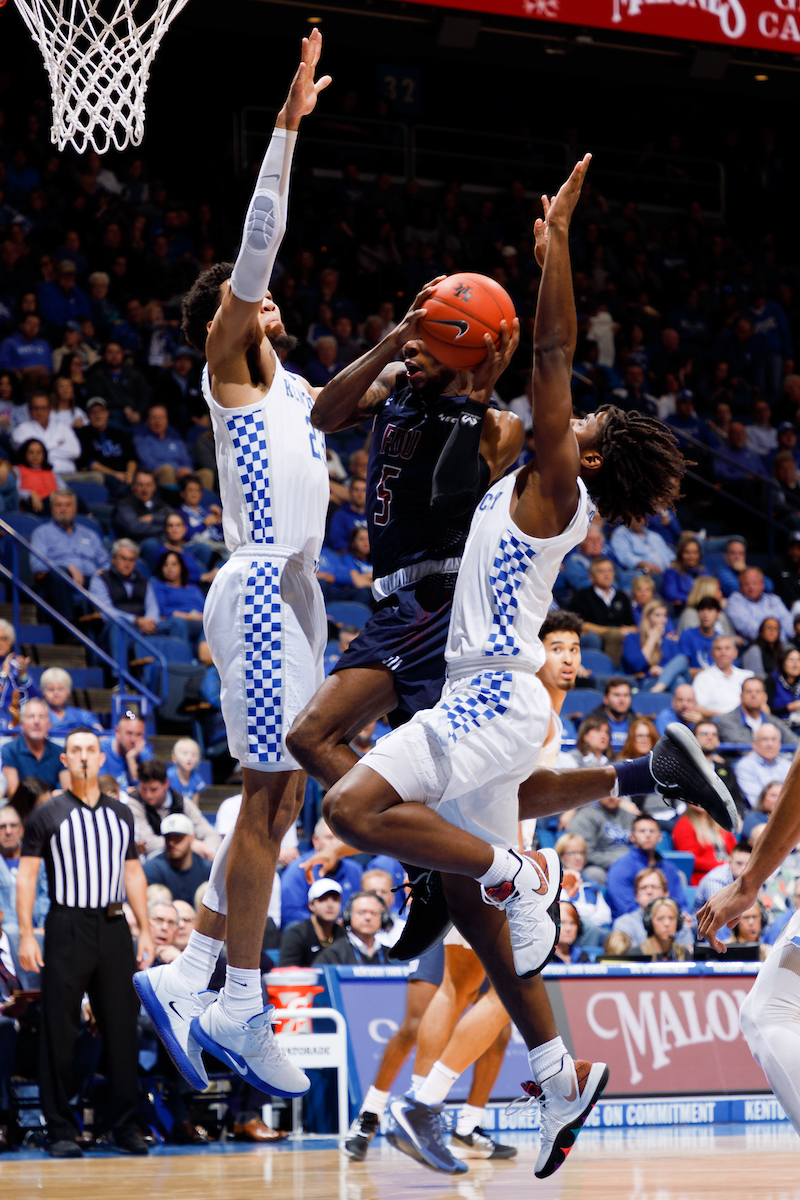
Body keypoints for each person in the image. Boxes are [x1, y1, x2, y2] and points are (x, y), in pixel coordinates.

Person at [316, 159, 692, 1179]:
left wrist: (555, 246)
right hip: (492, 698)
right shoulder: (524, 485)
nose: (569, 416)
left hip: (489, 695)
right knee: (485, 924)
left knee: (348, 810)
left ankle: (524, 865)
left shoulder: (553, 485)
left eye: (581, 422)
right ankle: (560, 1072)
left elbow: (556, 346)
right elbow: (494, 386)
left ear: (593, 455)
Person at [132, 34, 333, 1102]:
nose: (272, 299)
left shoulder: (294, 398)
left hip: (296, 595)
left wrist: (399, 342)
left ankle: (200, 970)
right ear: (236, 312)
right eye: (256, 298)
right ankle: (237, 999)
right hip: (257, 587)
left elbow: (340, 395)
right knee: (265, 799)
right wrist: (286, 126)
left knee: (281, 803)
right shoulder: (233, 375)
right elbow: (257, 243)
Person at [16, 728, 153, 1157]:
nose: (82, 757)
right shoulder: (46, 813)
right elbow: (27, 875)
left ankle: (124, 1126)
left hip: (114, 927)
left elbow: (132, 872)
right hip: (66, 926)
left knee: (122, 1030)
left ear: (100, 758)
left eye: (89, 750)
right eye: (74, 750)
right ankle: (59, 1128)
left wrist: (145, 927)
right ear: (64, 760)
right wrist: (25, 932)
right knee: (59, 1028)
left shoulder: (121, 813)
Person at [29, 488, 110, 624]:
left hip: (90, 579)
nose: (63, 509)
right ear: (51, 508)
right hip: (60, 581)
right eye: (58, 505)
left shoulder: (89, 534)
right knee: (59, 575)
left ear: (75, 508)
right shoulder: (42, 533)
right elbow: (36, 565)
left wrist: (102, 572)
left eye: (67, 505)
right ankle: (69, 625)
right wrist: (66, 568)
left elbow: (106, 561)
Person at [127, 758, 221, 859]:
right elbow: (149, 843)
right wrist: (188, 844)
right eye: (143, 789)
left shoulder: (180, 801)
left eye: (154, 789)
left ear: (166, 783)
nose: (148, 795)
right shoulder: (133, 803)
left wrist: (210, 851)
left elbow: (210, 833)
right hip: (151, 860)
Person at [279, 818, 363, 926]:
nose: (335, 844)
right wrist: (329, 924)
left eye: (339, 838)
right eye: (329, 838)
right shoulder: (299, 868)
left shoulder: (355, 869)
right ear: (315, 841)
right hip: (310, 933)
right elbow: (290, 913)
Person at [605, 813, 687, 921]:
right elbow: (627, 909)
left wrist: (684, 917)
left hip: (670, 923)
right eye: (642, 831)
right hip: (633, 926)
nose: (647, 835)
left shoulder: (669, 868)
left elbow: (680, 903)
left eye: (652, 831)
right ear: (632, 837)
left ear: (660, 837)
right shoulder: (620, 868)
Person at [570, 557, 637, 666]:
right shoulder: (582, 596)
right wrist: (611, 631)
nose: (607, 574)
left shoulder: (622, 596)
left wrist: (628, 630)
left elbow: (633, 625)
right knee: (613, 634)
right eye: (601, 571)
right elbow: (580, 624)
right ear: (591, 577)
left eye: (610, 570)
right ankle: (612, 670)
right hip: (594, 634)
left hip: (620, 634)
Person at [612, 868, 693, 950]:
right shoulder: (624, 924)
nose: (649, 892)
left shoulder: (678, 923)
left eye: (655, 887)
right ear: (636, 896)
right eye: (643, 888)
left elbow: (687, 957)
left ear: (666, 893)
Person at [621, 599, 688, 693]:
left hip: (670, 683)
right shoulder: (632, 638)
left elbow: (680, 666)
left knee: (681, 660)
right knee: (678, 682)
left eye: (665, 615)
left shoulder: (670, 643)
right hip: (646, 683)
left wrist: (663, 671)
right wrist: (652, 639)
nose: (662, 620)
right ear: (647, 618)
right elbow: (636, 665)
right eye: (657, 615)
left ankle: (658, 689)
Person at [143, 814, 213, 904]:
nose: (172, 842)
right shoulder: (152, 868)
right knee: (158, 894)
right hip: (166, 916)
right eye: (168, 837)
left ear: (192, 838)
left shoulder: (207, 868)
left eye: (178, 837)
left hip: (198, 916)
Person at [691, 840, 752, 943]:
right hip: (703, 928)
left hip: (733, 926)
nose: (743, 869)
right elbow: (719, 918)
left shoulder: (752, 877)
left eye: (747, 864)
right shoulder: (715, 880)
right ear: (729, 861)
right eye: (739, 863)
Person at [277, 877, 347, 966]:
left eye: (335, 899)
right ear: (311, 905)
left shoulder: (343, 935)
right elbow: (287, 970)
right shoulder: (296, 934)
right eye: (323, 899)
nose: (330, 905)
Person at [76, 397, 137, 496]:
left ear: (107, 414)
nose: (98, 415)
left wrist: (129, 475)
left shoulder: (120, 433)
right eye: (94, 412)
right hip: (103, 475)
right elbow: (89, 462)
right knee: (113, 483)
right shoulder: (82, 434)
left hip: (125, 475)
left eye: (101, 411)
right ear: (88, 416)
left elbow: (132, 458)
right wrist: (114, 474)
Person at [714, 676, 799, 746]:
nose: (753, 695)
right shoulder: (727, 720)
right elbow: (742, 748)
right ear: (741, 697)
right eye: (749, 692)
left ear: (765, 697)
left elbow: (795, 742)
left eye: (758, 692)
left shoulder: (773, 721)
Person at [11, 392, 80, 476]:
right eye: (36, 408)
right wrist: (56, 444)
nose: (39, 412)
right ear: (29, 410)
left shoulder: (63, 428)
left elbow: (76, 452)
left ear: (50, 409)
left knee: (96, 477)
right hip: (39, 476)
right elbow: (30, 456)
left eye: (43, 408)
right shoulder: (21, 430)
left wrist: (43, 450)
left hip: (69, 474)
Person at [1, 699, 63, 793]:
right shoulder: (9, 750)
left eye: (41, 716)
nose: (36, 721)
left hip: (52, 805)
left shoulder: (59, 751)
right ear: (22, 724)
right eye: (31, 716)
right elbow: (13, 791)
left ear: (49, 724)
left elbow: (68, 790)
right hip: (21, 804)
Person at [556, 833, 612, 932]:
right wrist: (591, 909)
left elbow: (606, 916)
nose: (578, 857)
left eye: (581, 853)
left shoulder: (590, 884)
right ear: (561, 856)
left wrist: (581, 916)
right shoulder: (556, 883)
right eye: (571, 853)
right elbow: (563, 912)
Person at [315, 890, 390, 965]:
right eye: (361, 913)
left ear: (383, 918)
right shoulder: (333, 954)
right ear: (348, 916)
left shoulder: (391, 956)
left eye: (374, 913)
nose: (368, 917)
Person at [150, 551, 206, 649]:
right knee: (180, 623)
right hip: (176, 621)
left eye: (174, 564)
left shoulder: (194, 588)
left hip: (199, 621)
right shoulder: (159, 586)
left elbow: (206, 608)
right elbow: (162, 611)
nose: (169, 568)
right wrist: (189, 616)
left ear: (181, 567)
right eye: (165, 565)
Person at [673, 803, 737, 885]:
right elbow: (691, 859)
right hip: (706, 879)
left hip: (731, 874)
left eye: (703, 797)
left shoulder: (720, 823)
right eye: (695, 797)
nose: (699, 801)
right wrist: (722, 864)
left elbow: (735, 850)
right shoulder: (684, 825)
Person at [133, 404, 194, 488]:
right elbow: (147, 463)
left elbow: (186, 459)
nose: (158, 421)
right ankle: (168, 499)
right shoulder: (141, 437)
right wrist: (176, 470)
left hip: (180, 474)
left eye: (161, 417)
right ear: (148, 420)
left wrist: (186, 470)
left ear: (167, 420)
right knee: (167, 470)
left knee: (206, 474)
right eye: (154, 418)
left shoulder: (174, 435)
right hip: (154, 473)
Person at [727, 568, 793, 644]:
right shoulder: (734, 602)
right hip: (755, 646)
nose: (751, 587)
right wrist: (778, 640)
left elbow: (787, 621)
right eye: (746, 584)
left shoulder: (774, 599)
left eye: (755, 583)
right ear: (740, 586)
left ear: (762, 584)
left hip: (783, 645)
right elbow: (750, 630)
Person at [693, 635, 754, 717]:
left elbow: (761, 704)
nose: (723, 652)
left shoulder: (748, 676)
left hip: (747, 721)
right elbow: (696, 707)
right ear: (712, 654)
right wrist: (722, 717)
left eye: (727, 648)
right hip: (716, 722)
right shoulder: (702, 678)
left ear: (735, 653)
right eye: (718, 649)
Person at [734, 724, 793, 807]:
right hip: (760, 815)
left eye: (774, 739)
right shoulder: (744, 766)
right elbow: (758, 802)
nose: (770, 744)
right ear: (754, 744)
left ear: (779, 744)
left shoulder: (788, 765)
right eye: (764, 739)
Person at [0, 620, 41, 734]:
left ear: (10, 643)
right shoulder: (7, 667)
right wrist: (3, 674)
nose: (0, 643)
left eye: (3, 639)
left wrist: (23, 675)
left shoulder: (16, 665)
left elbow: (36, 698)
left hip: (18, 724)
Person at [40, 667, 103, 739]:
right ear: (43, 692)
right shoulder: (38, 716)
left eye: (60, 689)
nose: (56, 693)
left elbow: (100, 734)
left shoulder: (83, 715)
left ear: (68, 692)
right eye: (51, 689)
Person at [111, 470, 172, 544]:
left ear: (154, 487)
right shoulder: (124, 505)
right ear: (133, 486)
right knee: (151, 544)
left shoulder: (160, 504)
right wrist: (165, 528)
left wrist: (152, 517)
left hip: (161, 541)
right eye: (140, 485)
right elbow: (134, 527)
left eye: (148, 485)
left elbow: (173, 517)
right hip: (134, 545)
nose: (145, 489)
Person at [98, 712, 154, 789]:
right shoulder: (101, 749)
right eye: (129, 733)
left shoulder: (144, 754)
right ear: (117, 732)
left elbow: (147, 790)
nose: (133, 740)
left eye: (138, 734)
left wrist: (131, 758)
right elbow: (101, 787)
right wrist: (126, 791)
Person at [677, 596, 723, 676]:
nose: (705, 614)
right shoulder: (687, 635)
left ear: (718, 614)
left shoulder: (721, 639)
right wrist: (710, 673)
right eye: (701, 610)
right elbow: (682, 669)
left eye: (710, 610)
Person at [13, 438, 61, 512]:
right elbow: (14, 491)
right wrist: (30, 494)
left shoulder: (51, 472)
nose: (35, 455)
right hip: (32, 505)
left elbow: (64, 490)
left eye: (39, 452)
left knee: (72, 498)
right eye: (31, 452)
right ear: (25, 454)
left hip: (54, 504)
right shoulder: (17, 470)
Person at [586, 677, 634, 752]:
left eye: (626, 695)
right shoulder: (592, 723)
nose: (622, 700)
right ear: (605, 699)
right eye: (617, 695)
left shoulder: (636, 723)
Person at [661, 534, 706, 610]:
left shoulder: (703, 571)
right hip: (682, 610)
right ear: (680, 554)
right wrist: (695, 600)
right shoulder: (672, 572)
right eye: (687, 552)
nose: (691, 556)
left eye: (695, 552)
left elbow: (710, 590)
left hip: (703, 608)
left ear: (699, 554)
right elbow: (672, 594)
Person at [638, 896, 690, 962]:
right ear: (649, 922)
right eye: (660, 918)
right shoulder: (637, 954)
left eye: (671, 918)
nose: (667, 924)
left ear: (678, 922)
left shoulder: (684, 954)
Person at [326, 476, 367, 552]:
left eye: (364, 490)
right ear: (350, 492)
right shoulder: (340, 515)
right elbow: (336, 542)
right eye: (356, 489)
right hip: (346, 559)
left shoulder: (372, 517)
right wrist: (358, 550)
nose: (360, 493)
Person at [767, 645, 800, 726]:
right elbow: (766, 711)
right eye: (791, 659)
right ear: (782, 662)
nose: (795, 663)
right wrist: (789, 708)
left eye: (798, 660)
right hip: (778, 726)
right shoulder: (771, 681)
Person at [167, 738, 207, 804]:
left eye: (193, 754)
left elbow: (194, 805)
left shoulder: (197, 779)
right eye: (185, 754)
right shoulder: (169, 776)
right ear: (174, 758)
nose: (189, 758)